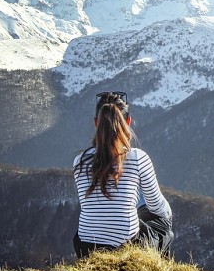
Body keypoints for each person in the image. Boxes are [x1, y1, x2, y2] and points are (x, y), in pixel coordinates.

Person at [72, 91, 173, 258]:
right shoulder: (137, 157)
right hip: (124, 246)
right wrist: (168, 214)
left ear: (96, 123)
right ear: (128, 121)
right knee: (162, 226)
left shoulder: (79, 161)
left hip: (85, 247)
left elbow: (93, 207)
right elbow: (156, 205)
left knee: (138, 213)